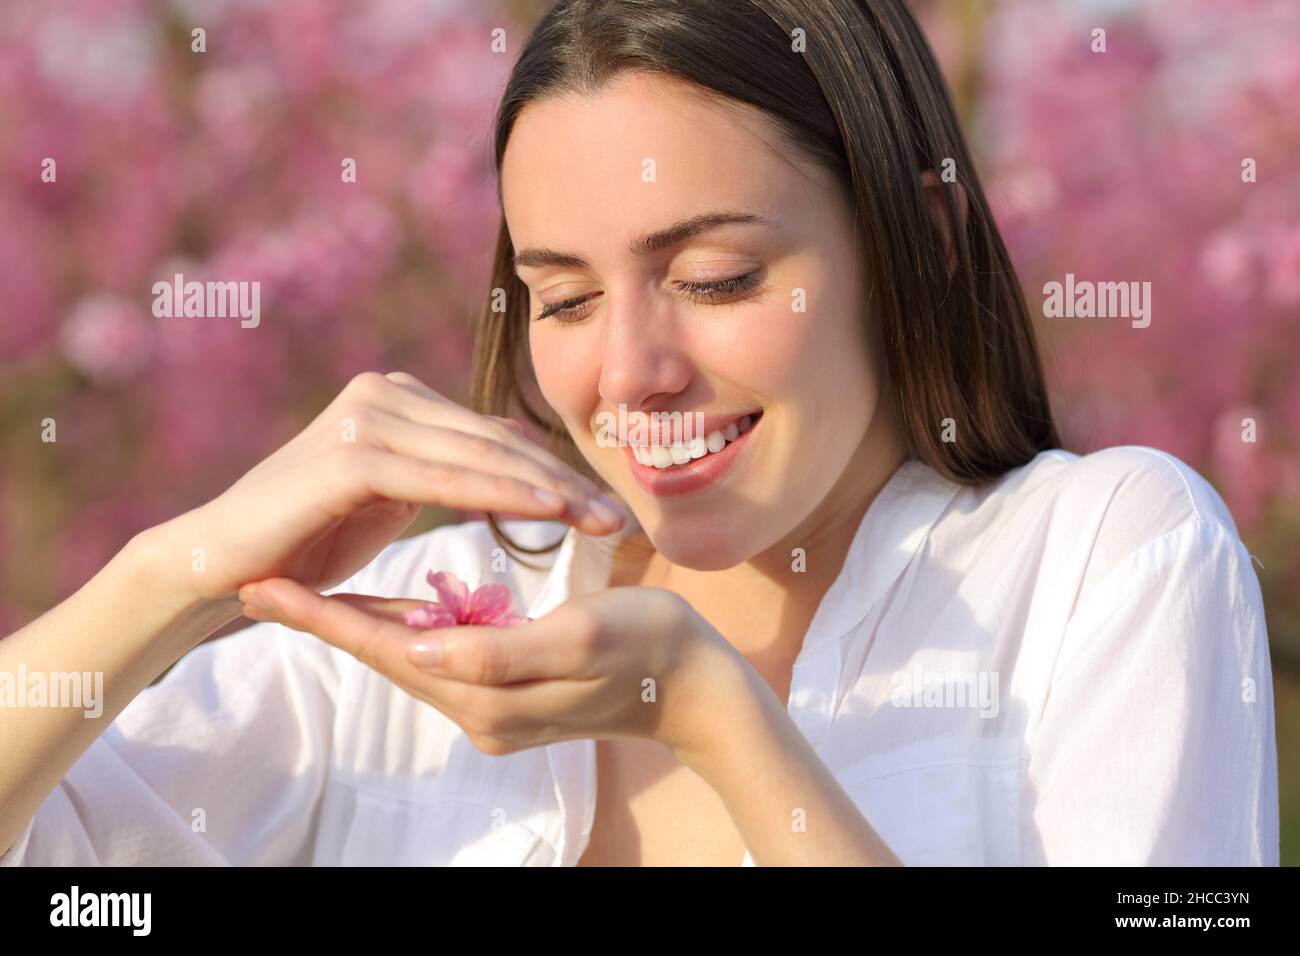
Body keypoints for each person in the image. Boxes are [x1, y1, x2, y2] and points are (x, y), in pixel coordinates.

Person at [0, 0, 1277, 866]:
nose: (629, 374)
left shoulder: (1105, 557)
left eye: (716, 277)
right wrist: (181, 571)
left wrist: (716, 717)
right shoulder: (425, 625)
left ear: (917, 246)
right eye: (563, 298)